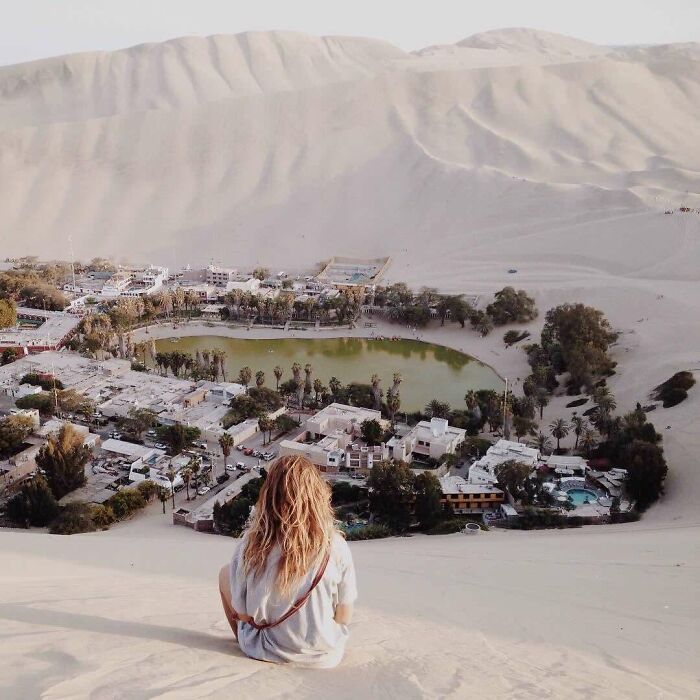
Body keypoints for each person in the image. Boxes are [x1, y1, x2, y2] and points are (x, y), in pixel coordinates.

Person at [218, 455, 357, 668]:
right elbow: (344, 616)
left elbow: (244, 616)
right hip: (324, 655)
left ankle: (243, 643)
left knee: (225, 574)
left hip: (263, 650)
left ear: (269, 496)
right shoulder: (335, 545)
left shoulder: (250, 545)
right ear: (318, 496)